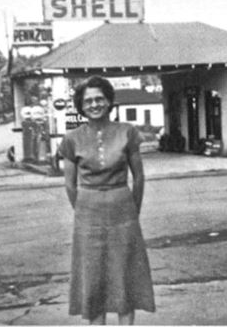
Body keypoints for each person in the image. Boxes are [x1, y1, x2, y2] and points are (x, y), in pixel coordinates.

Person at [58, 76, 155, 325]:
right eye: (88, 100)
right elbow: (70, 184)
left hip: (123, 210)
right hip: (88, 213)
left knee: (124, 273)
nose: (94, 104)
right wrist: (82, 209)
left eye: (99, 99)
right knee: (93, 277)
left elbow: (139, 176)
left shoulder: (127, 132)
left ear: (109, 101)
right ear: (81, 106)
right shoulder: (71, 139)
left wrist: (134, 210)